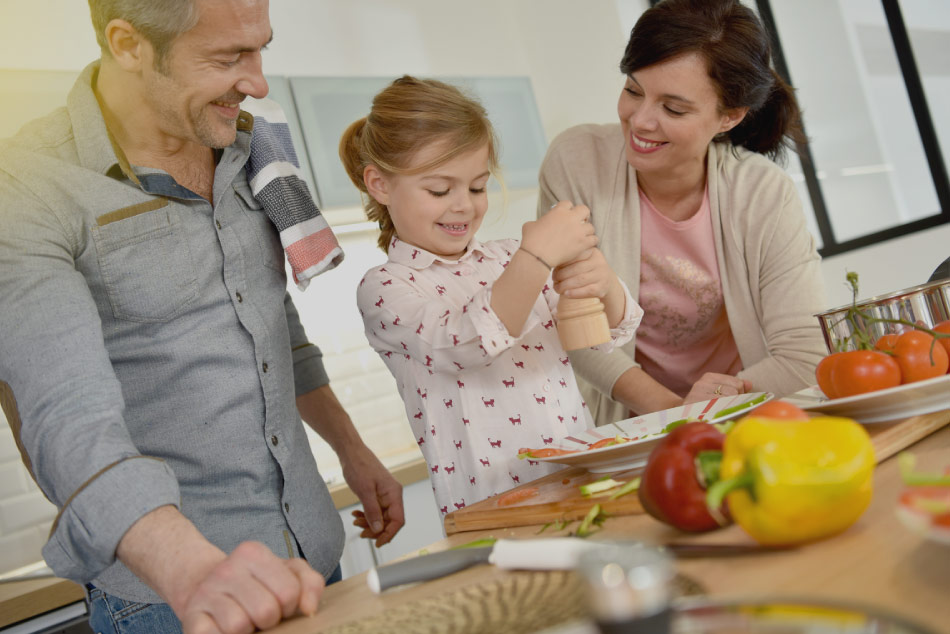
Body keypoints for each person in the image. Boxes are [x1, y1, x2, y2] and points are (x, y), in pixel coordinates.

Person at [0, 1, 404, 632]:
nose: (258, 84)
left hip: (310, 553)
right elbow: (64, 417)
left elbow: (270, 320)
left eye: (261, 49)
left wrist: (352, 449)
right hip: (172, 596)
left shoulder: (251, 145)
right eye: (228, 57)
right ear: (128, 44)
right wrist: (192, 571)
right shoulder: (27, 186)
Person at [340, 76, 643, 515]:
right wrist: (536, 257)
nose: (464, 205)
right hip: (491, 507)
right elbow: (466, 342)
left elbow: (609, 334)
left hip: (582, 482)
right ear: (379, 184)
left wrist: (603, 283)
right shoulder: (386, 287)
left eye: (477, 187)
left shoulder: (509, 257)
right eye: (440, 190)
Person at [537, 0, 827, 427]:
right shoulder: (577, 162)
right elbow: (578, 327)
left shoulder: (763, 193)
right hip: (628, 427)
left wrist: (708, 412)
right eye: (633, 90)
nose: (640, 121)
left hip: (743, 419)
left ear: (729, 116)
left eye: (673, 109)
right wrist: (674, 414)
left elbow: (805, 353)